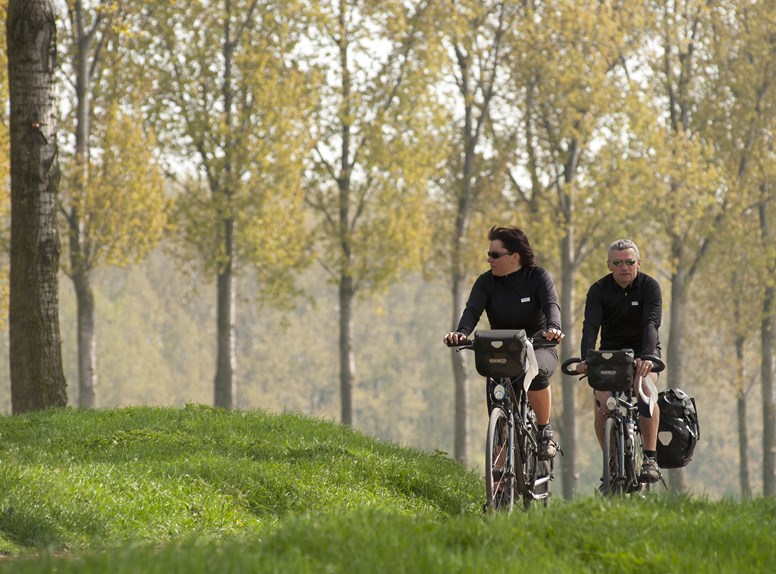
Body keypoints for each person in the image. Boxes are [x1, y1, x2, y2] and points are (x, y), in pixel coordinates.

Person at [444, 225, 564, 459]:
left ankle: (544, 431)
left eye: (495, 255)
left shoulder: (538, 277)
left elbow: (552, 306)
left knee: (537, 371)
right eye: (488, 254)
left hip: (538, 346)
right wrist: (461, 333)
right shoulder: (486, 282)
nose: (489, 260)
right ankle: (499, 483)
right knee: (498, 406)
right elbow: (472, 311)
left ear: (515, 257)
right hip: (503, 351)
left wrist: (553, 328)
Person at [576, 239, 663, 483]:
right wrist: (587, 358)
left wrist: (647, 356)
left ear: (638, 263)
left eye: (629, 262)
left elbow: (651, 324)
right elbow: (590, 327)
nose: (624, 267)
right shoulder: (598, 290)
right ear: (609, 265)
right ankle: (611, 463)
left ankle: (650, 458)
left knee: (645, 389)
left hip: (643, 352)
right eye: (618, 262)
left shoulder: (650, 287)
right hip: (610, 356)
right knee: (601, 402)